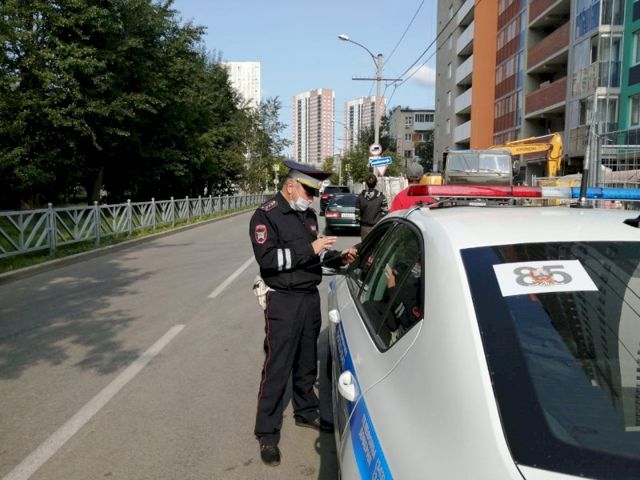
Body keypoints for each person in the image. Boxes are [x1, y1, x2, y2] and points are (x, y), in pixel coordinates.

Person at [249, 160, 358, 467]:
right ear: (291, 186)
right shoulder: (266, 215)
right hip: (283, 301)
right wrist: (311, 249)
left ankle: (306, 411)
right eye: (309, 192)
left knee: (307, 361)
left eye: (314, 193)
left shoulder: (307, 216)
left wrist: (339, 257)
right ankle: (267, 433)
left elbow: (316, 257)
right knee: (277, 366)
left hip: (309, 297)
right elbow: (269, 260)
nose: (312, 199)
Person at [356, 174, 388, 239]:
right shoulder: (381, 197)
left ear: (366, 183)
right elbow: (385, 213)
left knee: (365, 244)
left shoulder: (360, 197)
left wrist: (360, 224)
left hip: (364, 227)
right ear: (376, 183)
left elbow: (357, 214)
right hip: (377, 227)